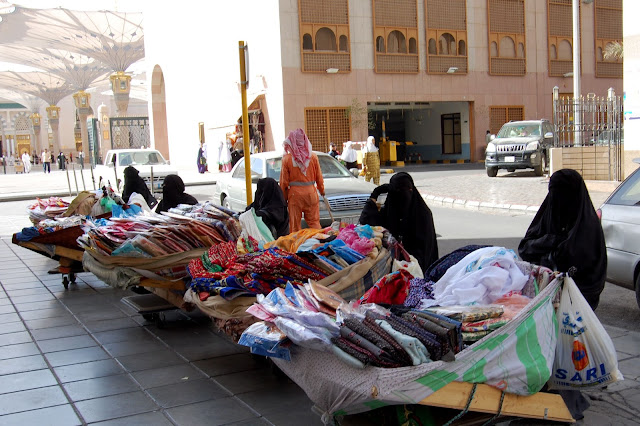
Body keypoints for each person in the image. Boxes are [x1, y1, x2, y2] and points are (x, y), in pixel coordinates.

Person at [518, 169, 606, 310]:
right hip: (544, 299)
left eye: (565, 194)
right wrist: (549, 241)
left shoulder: (588, 227)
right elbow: (525, 248)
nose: (559, 200)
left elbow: (588, 272)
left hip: (579, 302)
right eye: (555, 193)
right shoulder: (548, 216)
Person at [359, 172, 439, 273]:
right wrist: (374, 195)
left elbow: (426, 253)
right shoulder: (389, 213)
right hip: (391, 271)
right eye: (398, 191)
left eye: (407, 190)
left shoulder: (423, 215)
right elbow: (365, 225)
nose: (404, 196)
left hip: (418, 271)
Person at [279, 128, 325, 233]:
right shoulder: (313, 157)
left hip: (295, 196)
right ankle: (319, 240)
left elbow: (284, 183)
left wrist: (284, 198)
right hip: (311, 194)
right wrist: (322, 190)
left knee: (295, 227)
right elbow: (319, 177)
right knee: (314, 224)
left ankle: (297, 242)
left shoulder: (287, 159)